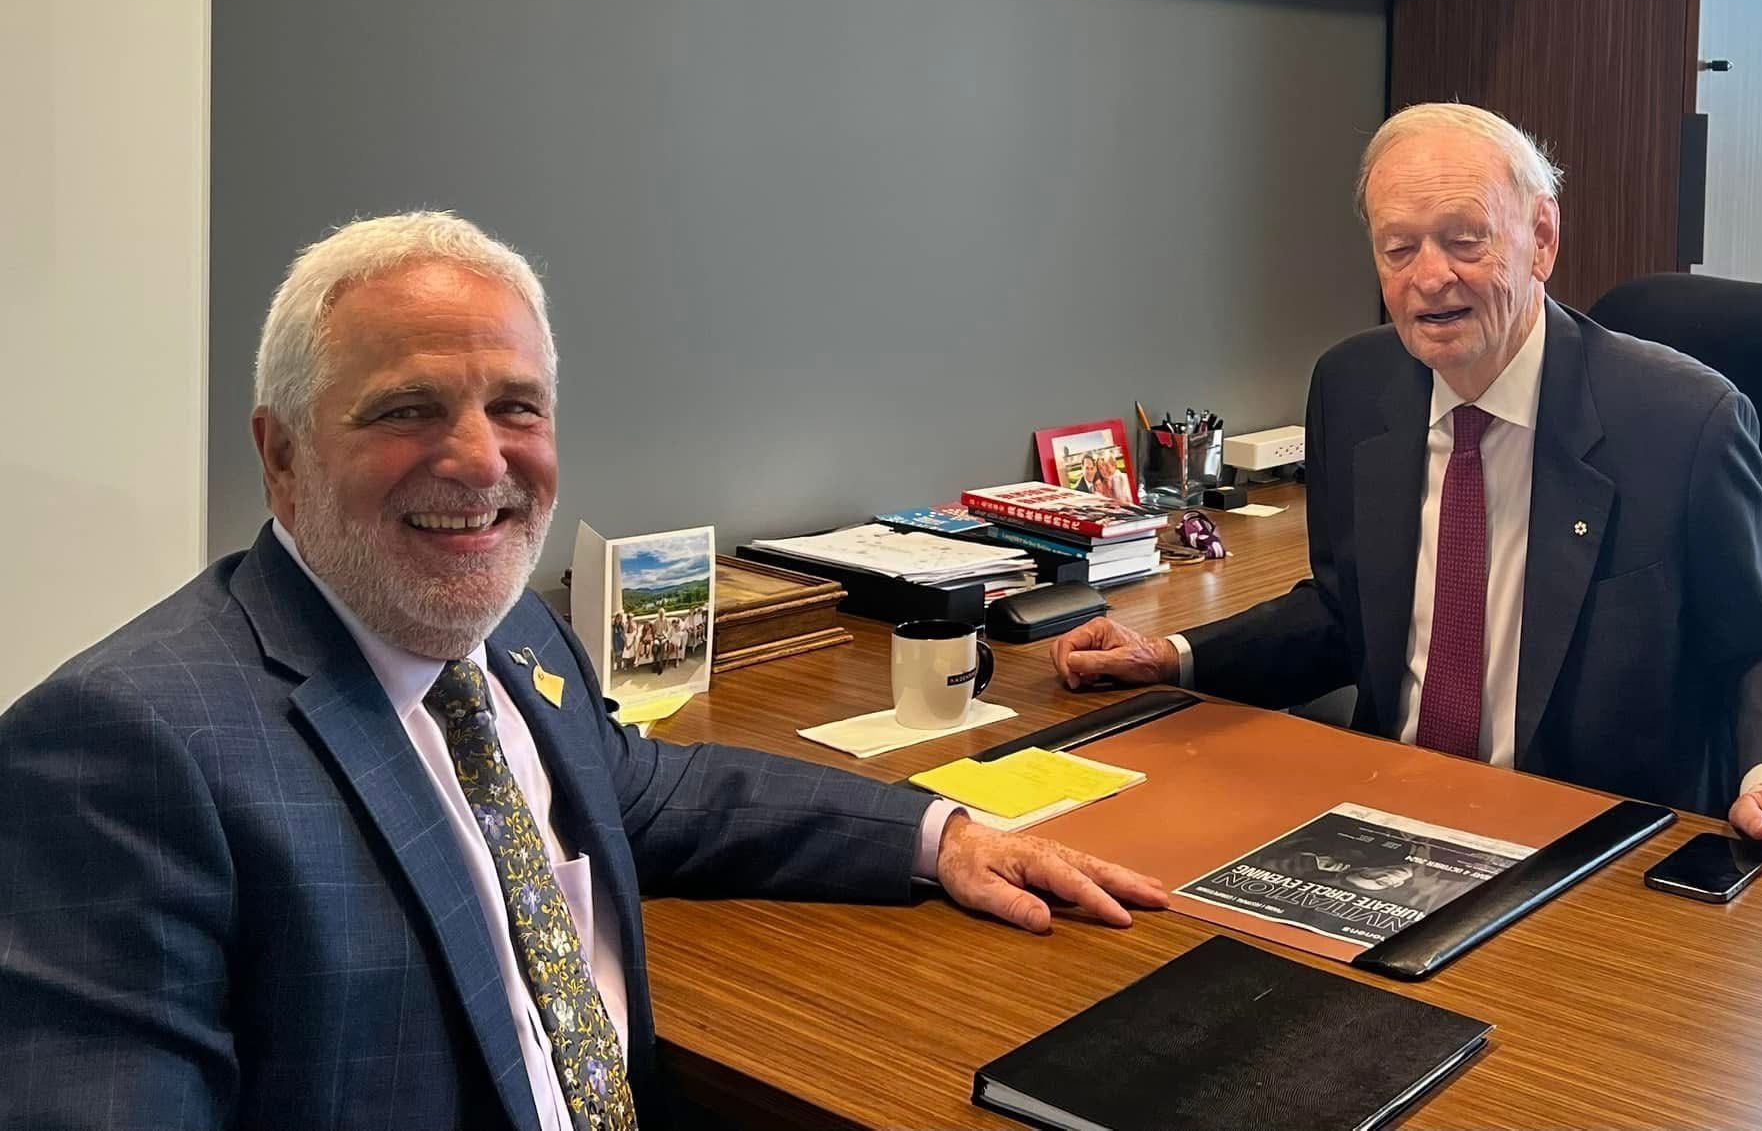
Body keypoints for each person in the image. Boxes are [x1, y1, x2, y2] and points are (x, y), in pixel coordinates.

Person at [0, 213, 1167, 1131]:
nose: (479, 457)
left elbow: (650, 790)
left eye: (517, 406)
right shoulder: (126, 748)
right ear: (281, 454)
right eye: (406, 410)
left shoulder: (512, 636)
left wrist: (940, 836)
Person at [1052, 102, 1762, 891]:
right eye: (1398, 248)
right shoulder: (1354, 388)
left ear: (1542, 237)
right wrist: (1178, 657)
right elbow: (1347, 615)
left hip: (1589, 848)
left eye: (1464, 240)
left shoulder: (1683, 421)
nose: (1430, 278)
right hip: (1382, 824)